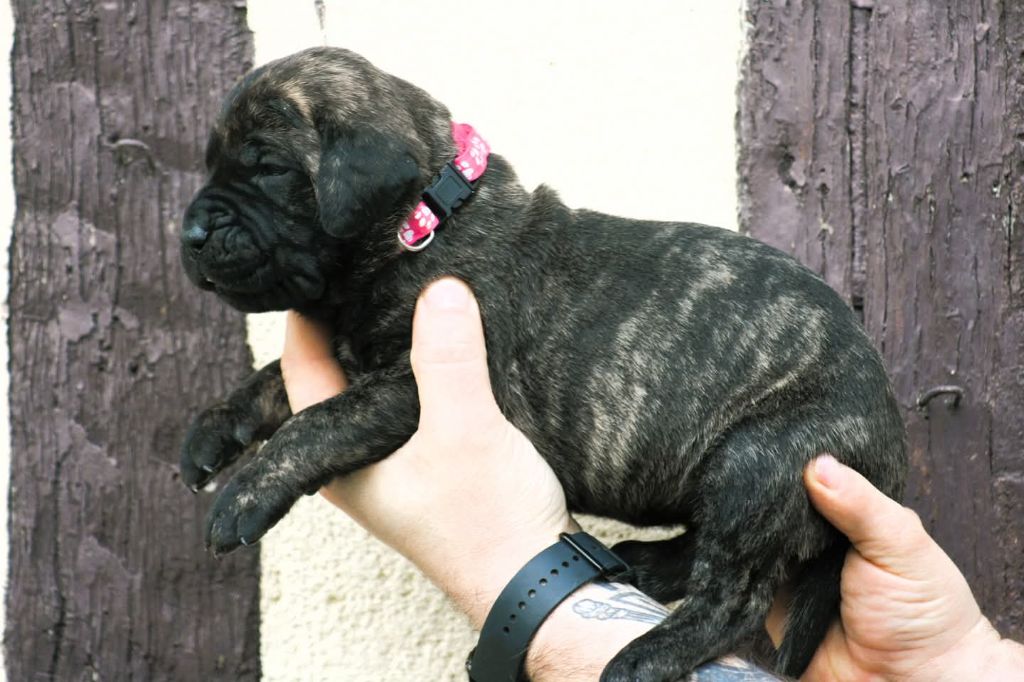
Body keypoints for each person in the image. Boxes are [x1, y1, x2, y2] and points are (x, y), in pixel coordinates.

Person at [280, 277, 1024, 681]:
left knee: (755, 489)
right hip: (917, 642)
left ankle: (710, 610)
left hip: (788, 433)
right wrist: (959, 661)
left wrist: (517, 581)